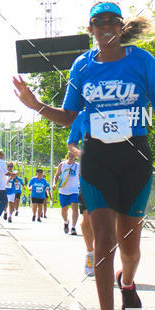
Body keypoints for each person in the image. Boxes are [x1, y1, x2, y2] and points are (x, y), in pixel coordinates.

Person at [14, 0, 155, 310]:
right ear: (90, 29)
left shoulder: (141, 60)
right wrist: (36, 106)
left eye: (112, 21)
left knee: (130, 245)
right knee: (104, 240)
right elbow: (69, 116)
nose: (106, 27)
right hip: (97, 156)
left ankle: (129, 283)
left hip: (134, 155)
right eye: (98, 22)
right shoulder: (82, 65)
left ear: (120, 27)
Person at [67, 112, 94, 276]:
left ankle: (104, 256)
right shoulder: (82, 115)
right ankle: (90, 253)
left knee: (111, 219)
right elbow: (71, 142)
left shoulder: (118, 108)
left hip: (114, 170)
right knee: (87, 216)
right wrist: (79, 153)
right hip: (89, 170)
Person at [53, 151, 81, 235]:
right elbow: (56, 175)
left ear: (75, 156)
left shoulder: (78, 166)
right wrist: (54, 183)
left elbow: (82, 177)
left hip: (74, 190)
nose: (71, 155)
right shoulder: (62, 164)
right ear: (67, 155)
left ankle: (73, 227)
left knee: (75, 208)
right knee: (64, 210)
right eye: (70, 154)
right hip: (63, 190)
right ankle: (66, 222)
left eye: (73, 154)